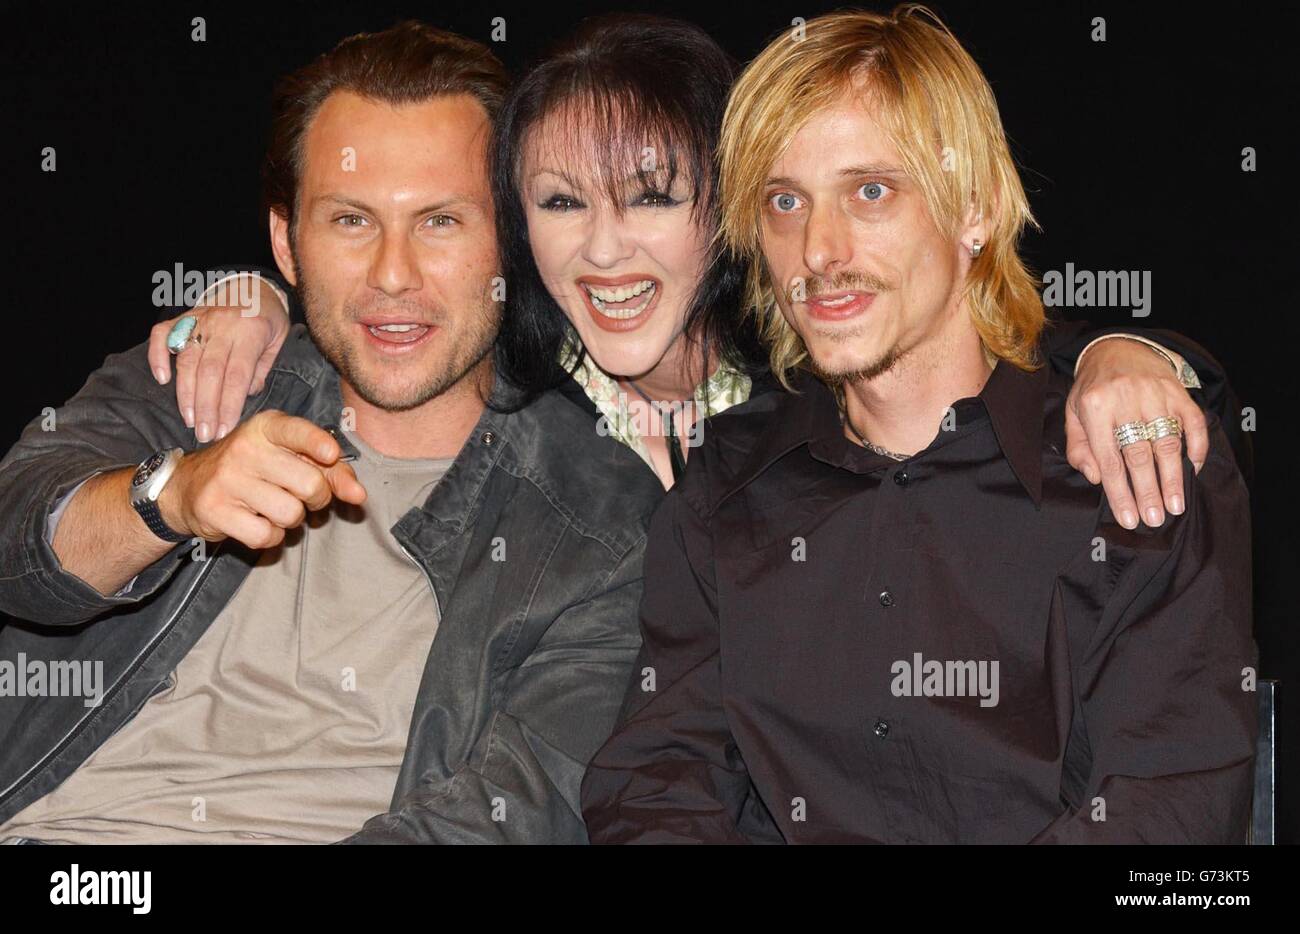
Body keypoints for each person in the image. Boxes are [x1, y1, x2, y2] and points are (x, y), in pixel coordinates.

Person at [579, 5, 1256, 843]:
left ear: (972, 208)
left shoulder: (1130, 463)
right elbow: (657, 783)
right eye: (785, 200)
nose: (819, 250)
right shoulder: (727, 489)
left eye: (871, 191)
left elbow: (1170, 811)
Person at [156, 14, 1226, 532]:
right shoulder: (495, 395)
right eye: (561, 202)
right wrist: (259, 295)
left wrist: (1132, 353)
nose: (605, 248)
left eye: (654, 196)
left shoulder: (822, 363)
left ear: (729, 208)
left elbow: (981, 342)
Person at [0, 22, 662, 844]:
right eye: (352, 220)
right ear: (287, 241)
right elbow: (17, 545)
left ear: (513, 240)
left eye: (441, 221)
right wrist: (174, 494)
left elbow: (520, 810)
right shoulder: (207, 369)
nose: (394, 274)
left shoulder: (600, 518)